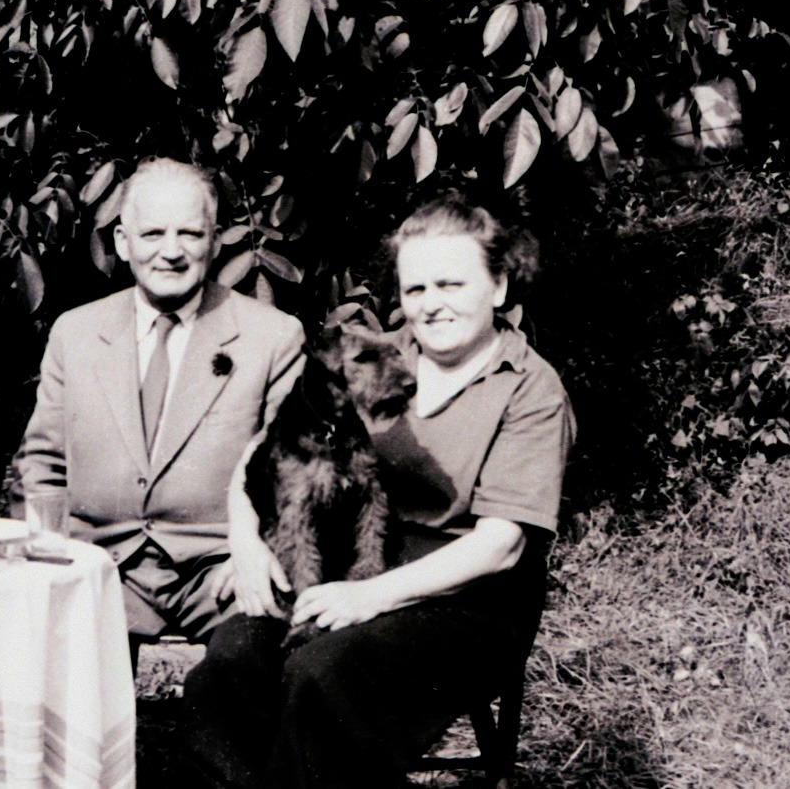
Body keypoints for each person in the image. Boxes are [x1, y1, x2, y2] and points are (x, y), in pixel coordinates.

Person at [182, 198, 577, 789]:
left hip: (467, 599)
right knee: (234, 657)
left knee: (326, 670)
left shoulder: (529, 389)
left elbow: (501, 547)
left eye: (451, 283)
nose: (431, 304)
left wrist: (373, 597)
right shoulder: (370, 351)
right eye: (415, 288)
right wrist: (246, 543)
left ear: (497, 286)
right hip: (351, 566)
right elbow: (261, 453)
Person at [14, 158, 306, 640]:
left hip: (219, 570)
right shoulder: (76, 333)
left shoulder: (271, 336)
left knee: (257, 652)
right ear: (123, 243)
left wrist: (260, 547)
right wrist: (54, 553)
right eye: (152, 235)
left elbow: (293, 469)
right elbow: (41, 462)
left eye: (190, 234)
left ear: (215, 242)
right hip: (97, 563)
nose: (171, 252)